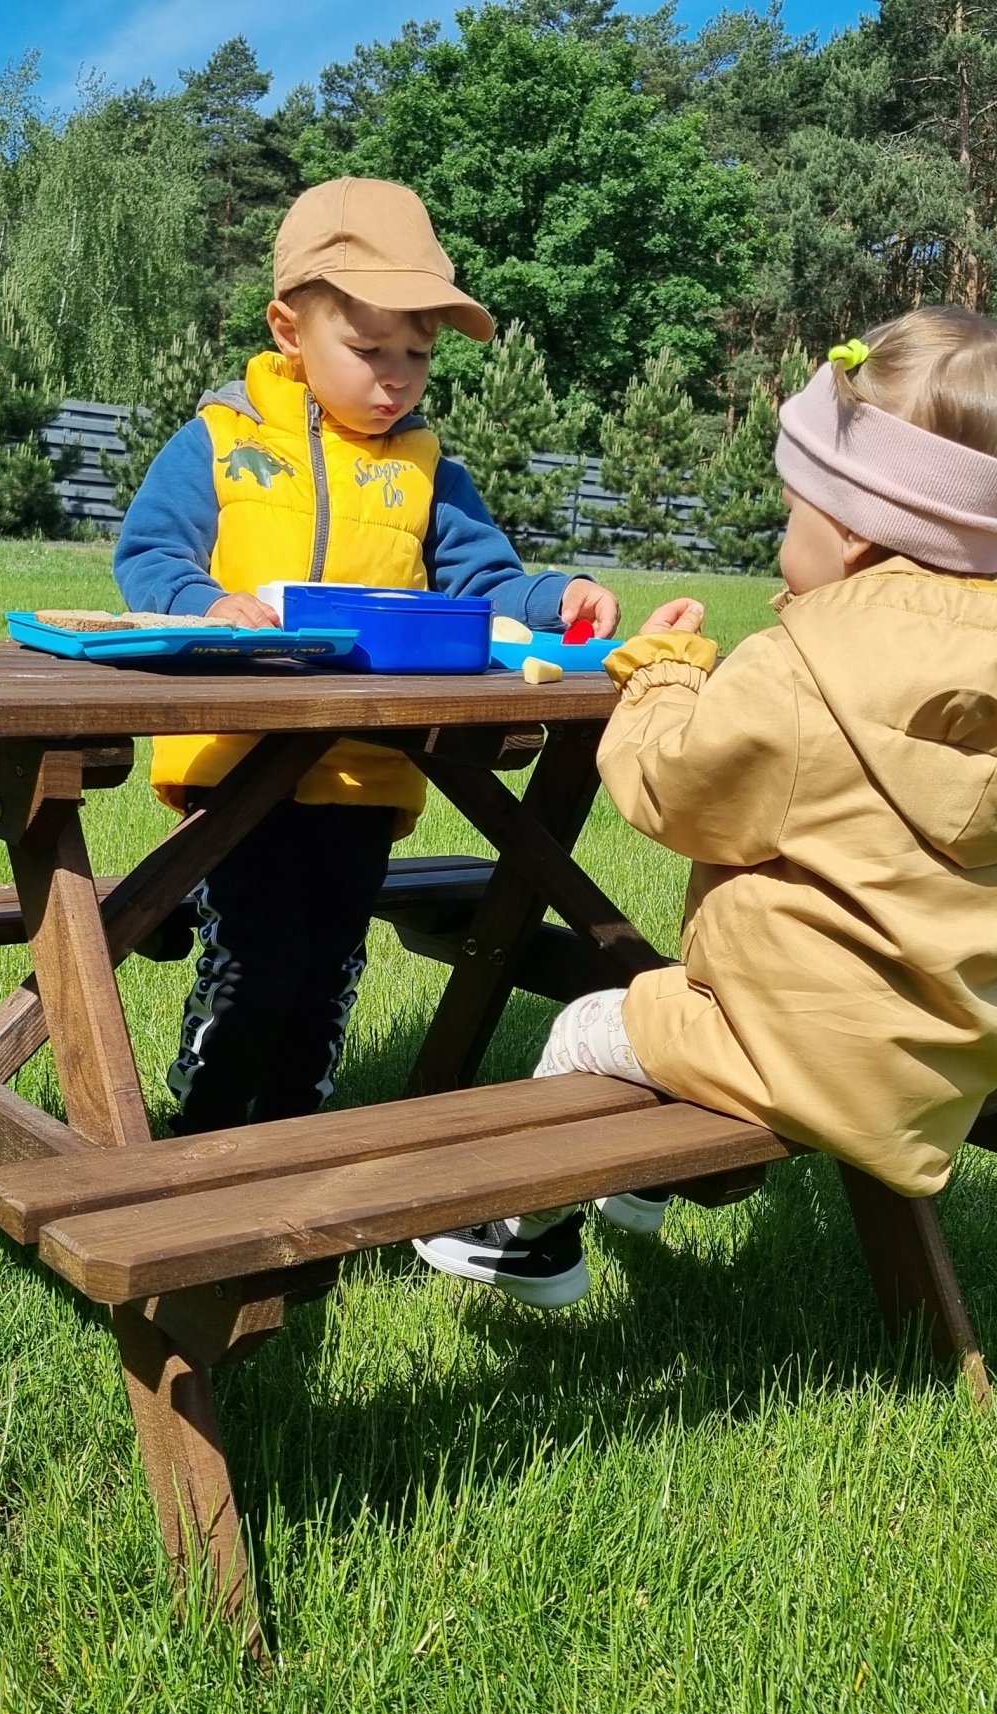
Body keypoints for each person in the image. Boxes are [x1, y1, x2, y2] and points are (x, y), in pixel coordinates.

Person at [415, 303, 997, 1308]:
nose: (785, 535)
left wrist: (665, 681)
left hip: (792, 1047)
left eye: (791, 511)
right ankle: (642, 1196)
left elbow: (670, 795)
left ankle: (513, 1238)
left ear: (854, 532)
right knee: (680, 999)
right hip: (944, 1056)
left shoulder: (804, 666)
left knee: (595, 1021)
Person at [113, 177, 621, 1134]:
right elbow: (149, 555)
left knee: (329, 961)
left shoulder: (428, 469)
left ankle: (299, 1131)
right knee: (259, 956)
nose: (396, 377)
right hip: (238, 758)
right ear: (289, 329)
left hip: (368, 768)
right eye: (369, 349)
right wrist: (205, 604)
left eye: (418, 355)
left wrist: (558, 598)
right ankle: (205, 1139)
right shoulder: (219, 442)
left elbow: (484, 583)